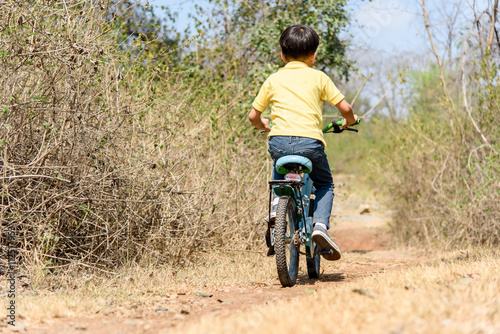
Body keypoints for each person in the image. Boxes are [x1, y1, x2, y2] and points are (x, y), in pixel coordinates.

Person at [248, 25, 358, 261]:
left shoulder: (273, 79)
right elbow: (346, 109)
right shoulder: (319, 77)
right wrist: (350, 120)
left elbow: (253, 116)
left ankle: (277, 203)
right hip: (310, 143)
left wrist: (264, 125)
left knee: (278, 161)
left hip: (279, 142)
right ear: (313, 55)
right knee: (325, 184)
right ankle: (319, 226)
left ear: (282, 55)